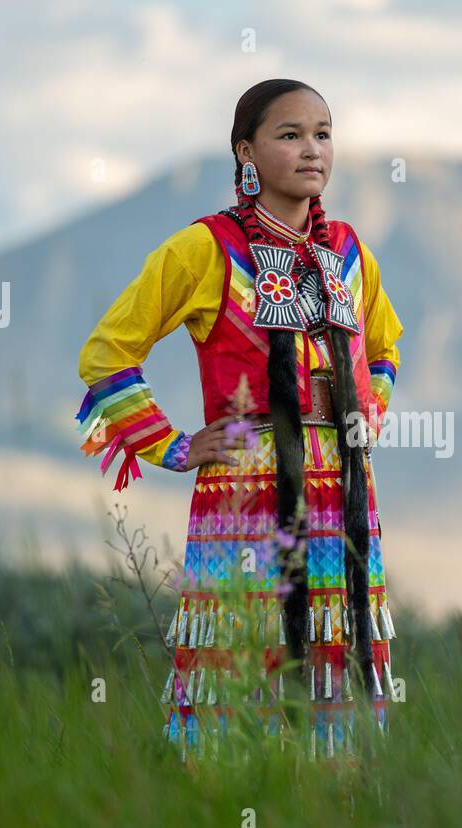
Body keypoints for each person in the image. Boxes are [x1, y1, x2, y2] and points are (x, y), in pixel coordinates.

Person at [74, 79, 404, 764]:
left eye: (323, 132)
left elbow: (384, 348)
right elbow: (108, 353)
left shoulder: (347, 252)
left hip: (343, 497)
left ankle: (333, 820)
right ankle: (231, 820)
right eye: (291, 135)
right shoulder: (206, 249)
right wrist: (173, 445)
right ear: (246, 151)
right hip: (245, 496)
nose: (312, 149)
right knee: (242, 664)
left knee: (336, 667)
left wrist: (362, 413)